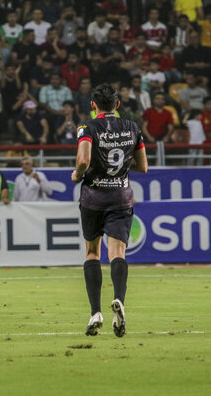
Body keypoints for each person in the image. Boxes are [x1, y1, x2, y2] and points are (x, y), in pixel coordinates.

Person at [72, 83, 148, 337]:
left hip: (93, 198)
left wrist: (77, 174)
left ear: (93, 106)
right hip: (120, 197)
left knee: (93, 252)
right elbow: (143, 167)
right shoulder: (132, 127)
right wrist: (123, 166)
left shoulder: (87, 127)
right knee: (118, 252)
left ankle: (95, 312)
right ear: (117, 104)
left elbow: (83, 160)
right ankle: (119, 300)